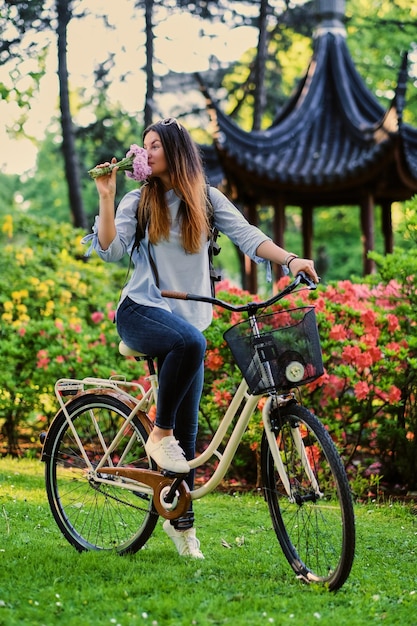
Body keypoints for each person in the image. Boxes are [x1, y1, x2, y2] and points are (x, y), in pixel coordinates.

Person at [86, 117, 319, 559]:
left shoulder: (206, 201)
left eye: (154, 146)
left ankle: (183, 528)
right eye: (144, 146)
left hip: (188, 320)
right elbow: (112, 250)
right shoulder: (137, 201)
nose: (145, 152)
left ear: (175, 152)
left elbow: (249, 237)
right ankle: (158, 432)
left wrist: (291, 260)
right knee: (190, 350)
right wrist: (106, 196)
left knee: (187, 443)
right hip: (140, 311)